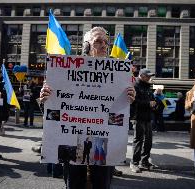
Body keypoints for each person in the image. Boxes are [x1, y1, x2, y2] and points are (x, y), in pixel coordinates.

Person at [39, 26, 135, 189]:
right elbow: (55, 114)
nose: (104, 45)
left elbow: (122, 116)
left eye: (106, 42)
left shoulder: (118, 75)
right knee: (75, 183)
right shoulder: (66, 72)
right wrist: (45, 100)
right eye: (98, 41)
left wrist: (130, 101)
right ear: (87, 45)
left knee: (101, 184)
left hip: (102, 142)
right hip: (73, 139)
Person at [130, 68, 157, 173]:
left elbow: (151, 99)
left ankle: (144, 161)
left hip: (147, 116)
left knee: (148, 141)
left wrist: (154, 104)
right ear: (141, 75)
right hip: (138, 117)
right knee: (138, 140)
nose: (150, 77)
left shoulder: (147, 86)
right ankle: (134, 163)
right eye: (148, 75)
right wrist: (148, 103)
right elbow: (133, 101)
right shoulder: (135, 85)